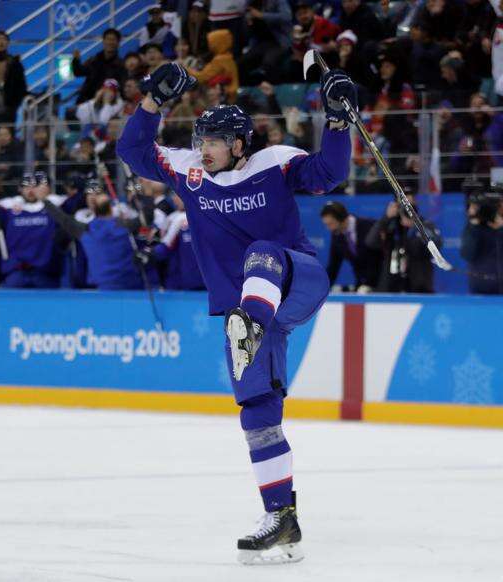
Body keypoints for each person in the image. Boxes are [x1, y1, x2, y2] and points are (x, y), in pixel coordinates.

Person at [117, 62, 356, 564]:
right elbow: (132, 152)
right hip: (245, 315)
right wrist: (151, 103)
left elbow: (329, 173)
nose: (203, 147)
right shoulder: (191, 173)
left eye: (216, 140)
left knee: (260, 255)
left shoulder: (274, 161)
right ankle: (281, 518)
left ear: (240, 144)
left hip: (297, 279)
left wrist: (336, 121)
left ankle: (248, 319)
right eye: (201, 138)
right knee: (258, 415)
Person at [39, 185, 144, 290]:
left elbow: (63, 219)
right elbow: (147, 216)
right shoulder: (124, 226)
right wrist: (138, 195)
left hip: (106, 287)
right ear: (111, 209)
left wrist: (44, 200)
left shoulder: (86, 230)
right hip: (132, 284)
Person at [0, 171, 66, 288]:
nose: (31, 190)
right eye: (26, 186)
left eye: (35, 186)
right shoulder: (8, 207)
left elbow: (78, 202)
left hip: (45, 273)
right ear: (20, 188)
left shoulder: (54, 204)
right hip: (16, 272)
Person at [365, 194, 442, 293]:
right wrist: (386, 218)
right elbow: (371, 242)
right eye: (403, 202)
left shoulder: (425, 225)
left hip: (419, 286)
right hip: (392, 284)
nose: (406, 206)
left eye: (409, 202)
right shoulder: (390, 225)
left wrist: (415, 225)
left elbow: (436, 245)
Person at [320, 201, 382, 291]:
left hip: (382, 284)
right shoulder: (336, 234)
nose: (329, 228)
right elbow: (333, 266)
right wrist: (322, 290)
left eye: (331, 224)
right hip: (361, 286)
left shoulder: (369, 225)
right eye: (327, 224)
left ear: (342, 219)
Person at [150, 192, 206, 290]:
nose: (174, 199)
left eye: (177, 194)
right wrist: (150, 254)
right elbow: (165, 247)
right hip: (184, 283)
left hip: (209, 283)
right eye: (173, 195)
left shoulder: (208, 216)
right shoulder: (174, 218)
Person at [460, 193, 503, 294]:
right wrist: (474, 229)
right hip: (480, 286)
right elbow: (467, 255)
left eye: (474, 208)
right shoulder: (472, 228)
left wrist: (500, 229)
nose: (470, 211)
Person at [71, 28, 126, 104]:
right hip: (87, 100)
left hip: (107, 103)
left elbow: (121, 86)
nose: (110, 42)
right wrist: (76, 60)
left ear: (118, 43)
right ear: (103, 41)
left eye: (113, 40)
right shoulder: (93, 60)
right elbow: (78, 72)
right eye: (108, 39)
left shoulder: (121, 65)